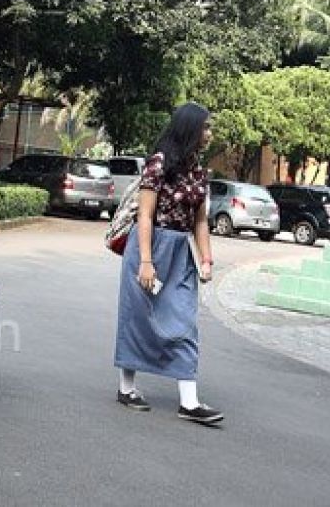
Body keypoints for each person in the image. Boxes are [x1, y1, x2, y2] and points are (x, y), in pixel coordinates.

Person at [113, 102, 221, 425]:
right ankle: (126, 387)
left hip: (179, 253)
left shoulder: (199, 172)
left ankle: (189, 401)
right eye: (205, 127)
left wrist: (206, 259)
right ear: (190, 129)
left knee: (185, 320)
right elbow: (145, 214)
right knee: (138, 317)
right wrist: (145, 262)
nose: (209, 134)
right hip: (150, 245)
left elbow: (200, 221)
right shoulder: (159, 163)